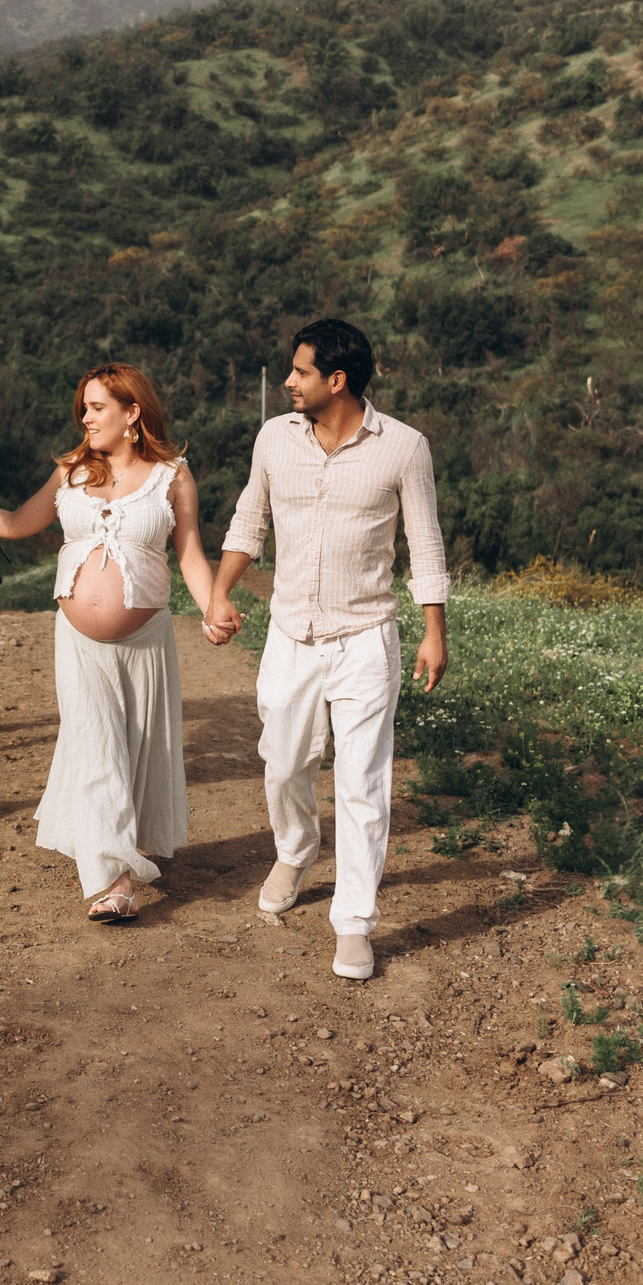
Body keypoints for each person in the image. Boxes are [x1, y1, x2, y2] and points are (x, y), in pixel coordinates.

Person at [0, 364, 217, 922]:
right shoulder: (70, 471)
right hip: (78, 641)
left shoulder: (173, 476)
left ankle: (122, 843)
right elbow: (11, 523)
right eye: (83, 406)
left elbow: (191, 552)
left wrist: (212, 607)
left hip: (147, 640)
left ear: (132, 413)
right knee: (97, 745)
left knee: (136, 750)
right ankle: (117, 880)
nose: (85, 416)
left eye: (97, 407)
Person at [202, 319, 449, 982]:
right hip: (290, 635)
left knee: (364, 784)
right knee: (284, 765)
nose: (288, 381)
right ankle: (297, 847)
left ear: (335, 381)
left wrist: (434, 629)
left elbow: (424, 542)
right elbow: (249, 519)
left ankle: (354, 921)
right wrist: (220, 591)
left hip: (367, 638)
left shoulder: (403, 447)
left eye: (299, 372)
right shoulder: (274, 440)